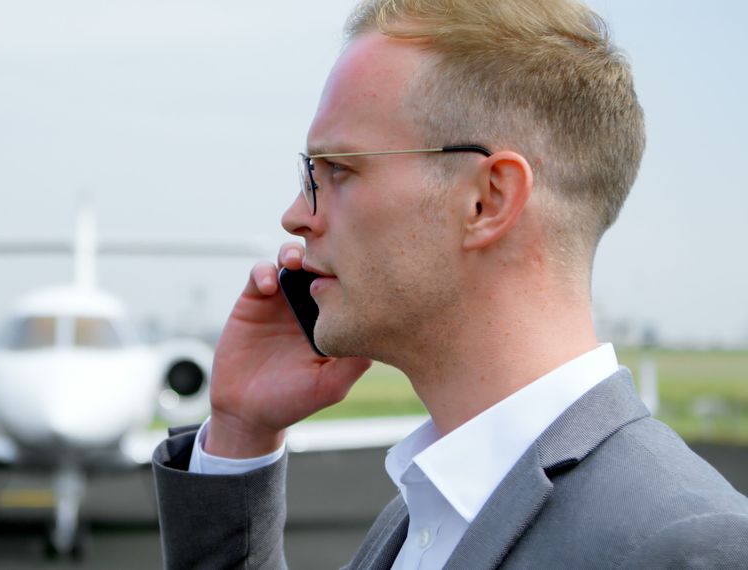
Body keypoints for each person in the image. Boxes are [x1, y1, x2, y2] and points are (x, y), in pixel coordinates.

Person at [153, 0, 748, 568]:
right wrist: (240, 435)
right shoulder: (432, 503)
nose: (296, 215)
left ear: (487, 200)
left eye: (339, 170)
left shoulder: (686, 548)